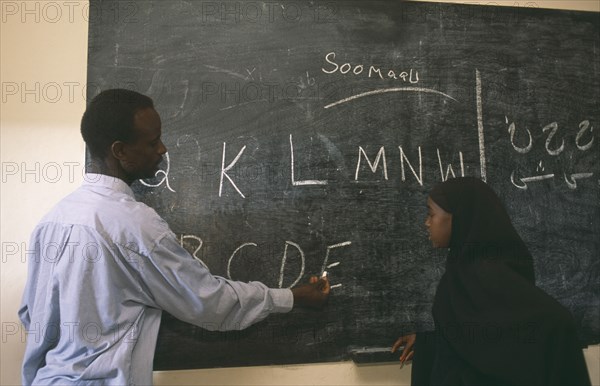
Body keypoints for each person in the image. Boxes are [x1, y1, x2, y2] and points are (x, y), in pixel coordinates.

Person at [18, 89, 330, 385]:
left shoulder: (53, 220)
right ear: (120, 151)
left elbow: (31, 314)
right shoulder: (134, 226)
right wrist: (293, 296)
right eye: (152, 142)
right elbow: (209, 302)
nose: (162, 149)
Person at [391, 177, 591, 385]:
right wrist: (429, 343)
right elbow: (481, 340)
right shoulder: (462, 273)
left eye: (431, 214)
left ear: (460, 217)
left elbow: (553, 324)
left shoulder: (487, 277)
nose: (427, 222)